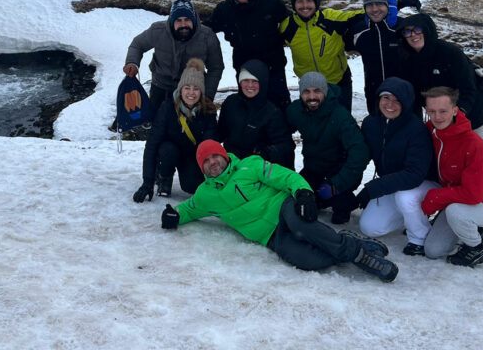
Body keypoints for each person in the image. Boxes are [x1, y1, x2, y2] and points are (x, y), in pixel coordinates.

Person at [159, 140, 399, 282]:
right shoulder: (205, 195)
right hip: (270, 236)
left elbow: (285, 177)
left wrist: (303, 193)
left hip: (284, 207)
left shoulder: (249, 165)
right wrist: (174, 215)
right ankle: (346, 241)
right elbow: (188, 209)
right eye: (206, 161)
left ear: (224, 156)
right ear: (203, 168)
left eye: (215, 156)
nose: (213, 163)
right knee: (308, 260)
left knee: (301, 226)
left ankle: (359, 255)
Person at [420, 87, 483, 267]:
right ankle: (472, 226)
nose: (437, 117)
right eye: (432, 111)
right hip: (458, 200)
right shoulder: (432, 132)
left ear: (455, 110)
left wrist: (435, 198)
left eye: (443, 111)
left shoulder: (473, 144)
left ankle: (476, 248)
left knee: (456, 213)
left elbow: (473, 194)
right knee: (433, 250)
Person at [354, 77, 435, 256]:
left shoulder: (416, 129)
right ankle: (411, 216)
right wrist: (342, 189)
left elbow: (414, 174)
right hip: (394, 184)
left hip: (423, 184)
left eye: (397, 100)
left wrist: (373, 188)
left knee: (406, 198)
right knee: (369, 228)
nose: (390, 104)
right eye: (386, 98)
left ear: (406, 103)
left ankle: (419, 237)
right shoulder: (371, 123)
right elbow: (360, 157)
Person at [395, 12, 483, 148]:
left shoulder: (449, 53)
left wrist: (458, 114)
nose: (413, 35)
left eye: (417, 29)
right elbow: (414, 95)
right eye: (407, 32)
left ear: (427, 30)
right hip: (445, 120)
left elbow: (468, 89)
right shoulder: (408, 61)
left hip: (479, 115)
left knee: (481, 163)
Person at [285, 71, 369, 225]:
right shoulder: (296, 111)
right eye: (306, 92)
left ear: (324, 91)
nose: (312, 97)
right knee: (299, 202)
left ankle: (344, 203)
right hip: (313, 170)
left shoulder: (340, 116)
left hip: (339, 171)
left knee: (339, 205)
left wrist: (337, 184)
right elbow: (281, 134)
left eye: (317, 91)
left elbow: (360, 153)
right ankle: (321, 199)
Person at [133, 59, 219, 201]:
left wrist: (211, 180)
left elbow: (209, 146)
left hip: (192, 155)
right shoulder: (167, 107)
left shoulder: (208, 111)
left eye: (196, 89)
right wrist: (147, 182)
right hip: (169, 152)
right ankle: (164, 177)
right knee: (167, 150)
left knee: (191, 186)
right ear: (180, 89)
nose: (191, 93)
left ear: (201, 91)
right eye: (187, 88)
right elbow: (152, 144)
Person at [206, 0, 291, 109]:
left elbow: (293, 23)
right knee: (249, 109)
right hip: (244, 68)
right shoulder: (224, 10)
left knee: (279, 109)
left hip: (274, 68)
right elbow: (207, 28)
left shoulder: (271, 3)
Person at [124, 0, 224, 109]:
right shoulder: (158, 31)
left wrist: (208, 94)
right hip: (160, 86)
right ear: (172, 21)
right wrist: (132, 63)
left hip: (192, 90)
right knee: (156, 123)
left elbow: (216, 67)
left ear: (194, 19)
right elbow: (137, 45)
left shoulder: (207, 36)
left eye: (187, 20)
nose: (183, 24)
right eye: (178, 20)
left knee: (190, 126)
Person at [279, 0, 364, 114]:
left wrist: (392, 6)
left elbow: (362, 14)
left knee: (342, 124)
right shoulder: (287, 27)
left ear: (316, 3)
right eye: (300, 1)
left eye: (309, 0)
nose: (305, 5)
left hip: (339, 82)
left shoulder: (331, 18)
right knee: (315, 128)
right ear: (294, 5)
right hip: (310, 88)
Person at [347, 0, 421, 117]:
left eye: (379, 4)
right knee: (378, 134)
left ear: (389, 5)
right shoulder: (359, 31)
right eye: (369, 5)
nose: (374, 9)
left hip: (407, 96)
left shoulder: (404, 28)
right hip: (374, 95)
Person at [217, 59, 295, 169]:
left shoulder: (272, 112)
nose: (250, 85)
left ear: (263, 82)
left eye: (255, 81)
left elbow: (285, 145)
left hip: (259, 167)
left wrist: (265, 153)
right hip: (232, 164)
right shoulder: (231, 103)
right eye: (246, 80)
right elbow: (219, 133)